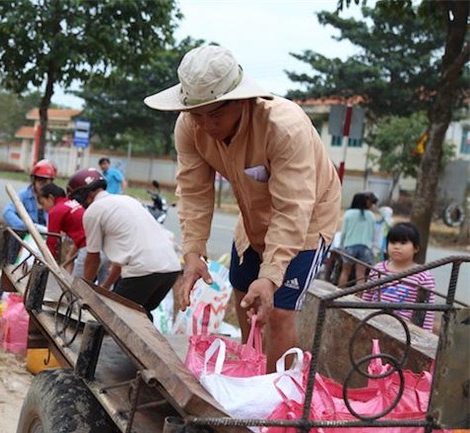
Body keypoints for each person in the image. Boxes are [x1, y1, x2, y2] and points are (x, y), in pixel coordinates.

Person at [144, 45, 341, 371]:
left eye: (216, 113)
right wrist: (193, 253)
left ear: (240, 100)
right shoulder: (188, 126)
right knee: (246, 304)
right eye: (197, 113)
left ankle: (272, 403)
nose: (206, 124)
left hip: (306, 220)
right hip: (250, 223)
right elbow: (194, 191)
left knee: (277, 311)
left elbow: (292, 208)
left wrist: (271, 275)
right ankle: (249, 380)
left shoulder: (284, 127)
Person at [67, 168, 181, 318]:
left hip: (143, 271)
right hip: (170, 269)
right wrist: (105, 288)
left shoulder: (93, 211)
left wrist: (84, 292)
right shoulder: (127, 200)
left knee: (111, 319)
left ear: (84, 196)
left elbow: (93, 258)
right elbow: (121, 259)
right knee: (139, 315)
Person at [0, 159, 56, 301]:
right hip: (22, 241)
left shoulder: (52, 198)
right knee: (10, 272)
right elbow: (7, 212)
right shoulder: (23, 196)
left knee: (40, 277)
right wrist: (27, 227)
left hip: (42, 244)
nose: (43, 184)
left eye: (46, 181)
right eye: (40, 180)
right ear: (33, 180)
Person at [362, 222, 436, 332]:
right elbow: (366, 298)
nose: (396, 247)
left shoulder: (423, 276)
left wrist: (424, 337)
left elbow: (427, 314)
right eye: (392, 242)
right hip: (373, 325)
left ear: (416, 248)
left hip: (403, 332)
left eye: (403, 243)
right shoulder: (378, 269)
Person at [37, 183, 108, 281]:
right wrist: (70, 254)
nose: (43, 208)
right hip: (105, 249)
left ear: (50, 198)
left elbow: (52, 241)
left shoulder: (56, 211)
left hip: (89, 251)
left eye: (43, 203)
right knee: (104, 290)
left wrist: (45, 264)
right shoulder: (73, 204)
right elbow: (81, 233)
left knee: (76, 289)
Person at [338, 192, 377, 288]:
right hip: (365, 247)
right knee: (360, 275)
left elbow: (344, 232)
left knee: (345, 272)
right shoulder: (371, 216)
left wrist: (341, 245)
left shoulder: (348, 213)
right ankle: (359, 297)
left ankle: (338, 293)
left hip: (350, 246)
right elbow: (373, 234)